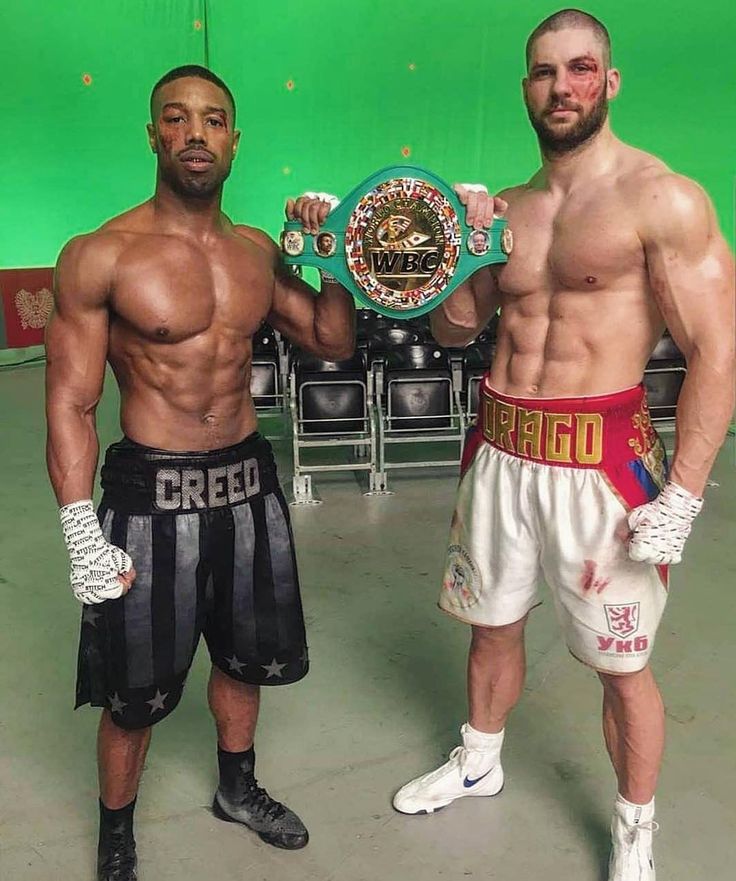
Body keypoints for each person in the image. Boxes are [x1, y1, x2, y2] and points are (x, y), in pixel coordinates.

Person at [392, 10, 734, 881]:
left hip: (600, 466)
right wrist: (468, 249)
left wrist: (685, 495)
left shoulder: (663, 198)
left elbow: (718, 351)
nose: (562, 87)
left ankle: (634, 830)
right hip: (501, 449)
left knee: (623, 667)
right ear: (526, 89)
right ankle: (479, 755)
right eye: (544, 73)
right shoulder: (508, 206)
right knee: (491, 626)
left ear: (609, 82)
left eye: (581, 69)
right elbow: (458, 330)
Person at [45, 64, 353, 881]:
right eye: (176, 119)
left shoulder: (255, 251)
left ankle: (237, 788)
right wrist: (80, 527)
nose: (194, 134)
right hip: (150, 491)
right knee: (133, 692)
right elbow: (72, 405)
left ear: (234, 139)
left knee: (245, 659)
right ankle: (116, 830)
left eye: (213, 120)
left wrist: (333, 253)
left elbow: (331, 338)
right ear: (153, 134)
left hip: (249, 485)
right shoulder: (99, 255)